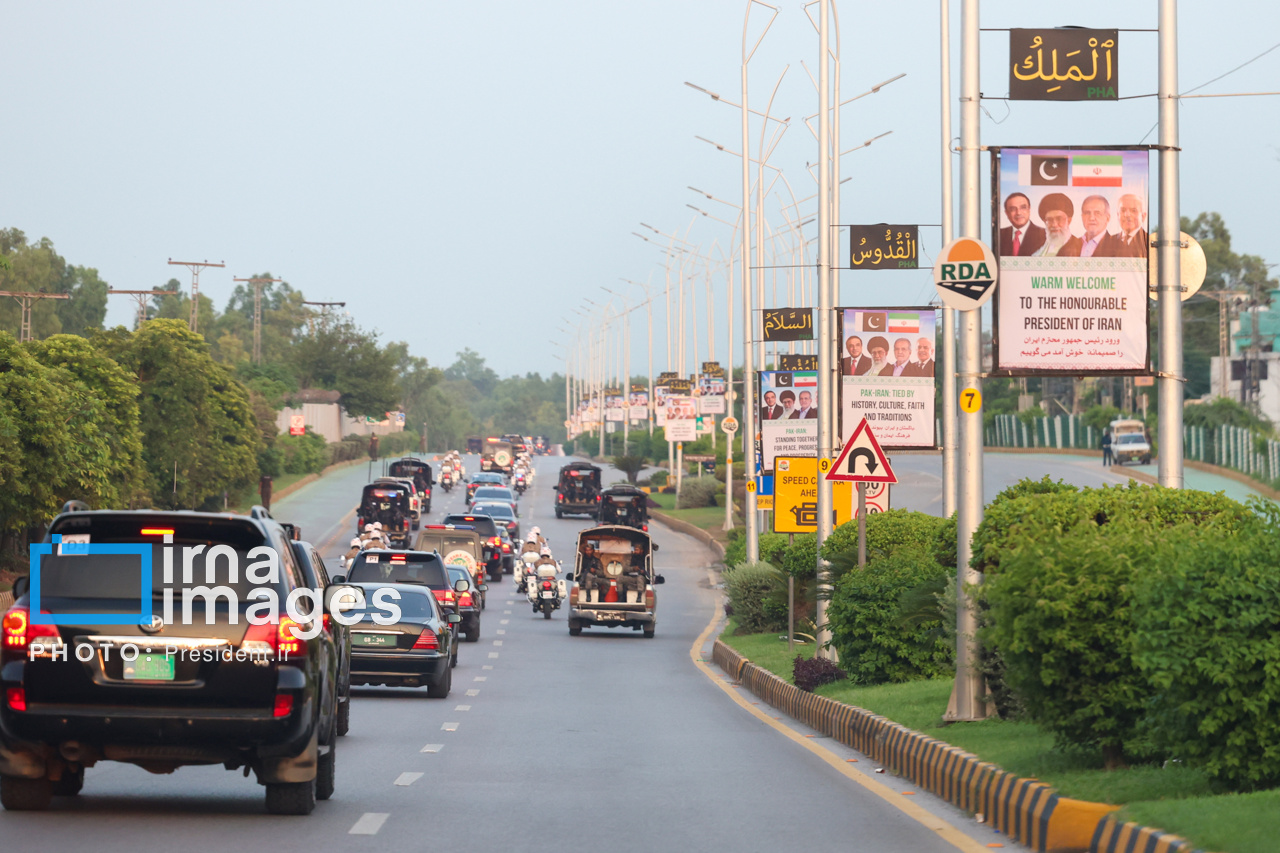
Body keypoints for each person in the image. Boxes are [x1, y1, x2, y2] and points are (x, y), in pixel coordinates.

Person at [1032, 193, 1082, 258]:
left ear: (1069, 221)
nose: (1054, 225)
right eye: (1049, 220)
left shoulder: (1080, 247)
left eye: (1059, 219)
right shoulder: (1038, 245)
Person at [999, 192, 1046, 257]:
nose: (1018, 213)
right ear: (1006, 213)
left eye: (1023, 207)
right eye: (1013, 209)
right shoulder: (998, 235)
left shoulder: (1046, 236)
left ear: (1029, 209)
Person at [1115, 193, 1148, 258]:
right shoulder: (1108, 242)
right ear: (1118, 215)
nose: (1127, 215)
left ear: (1143, 216)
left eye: (1133, 210)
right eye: (1123, 210)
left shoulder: (1147, 241)